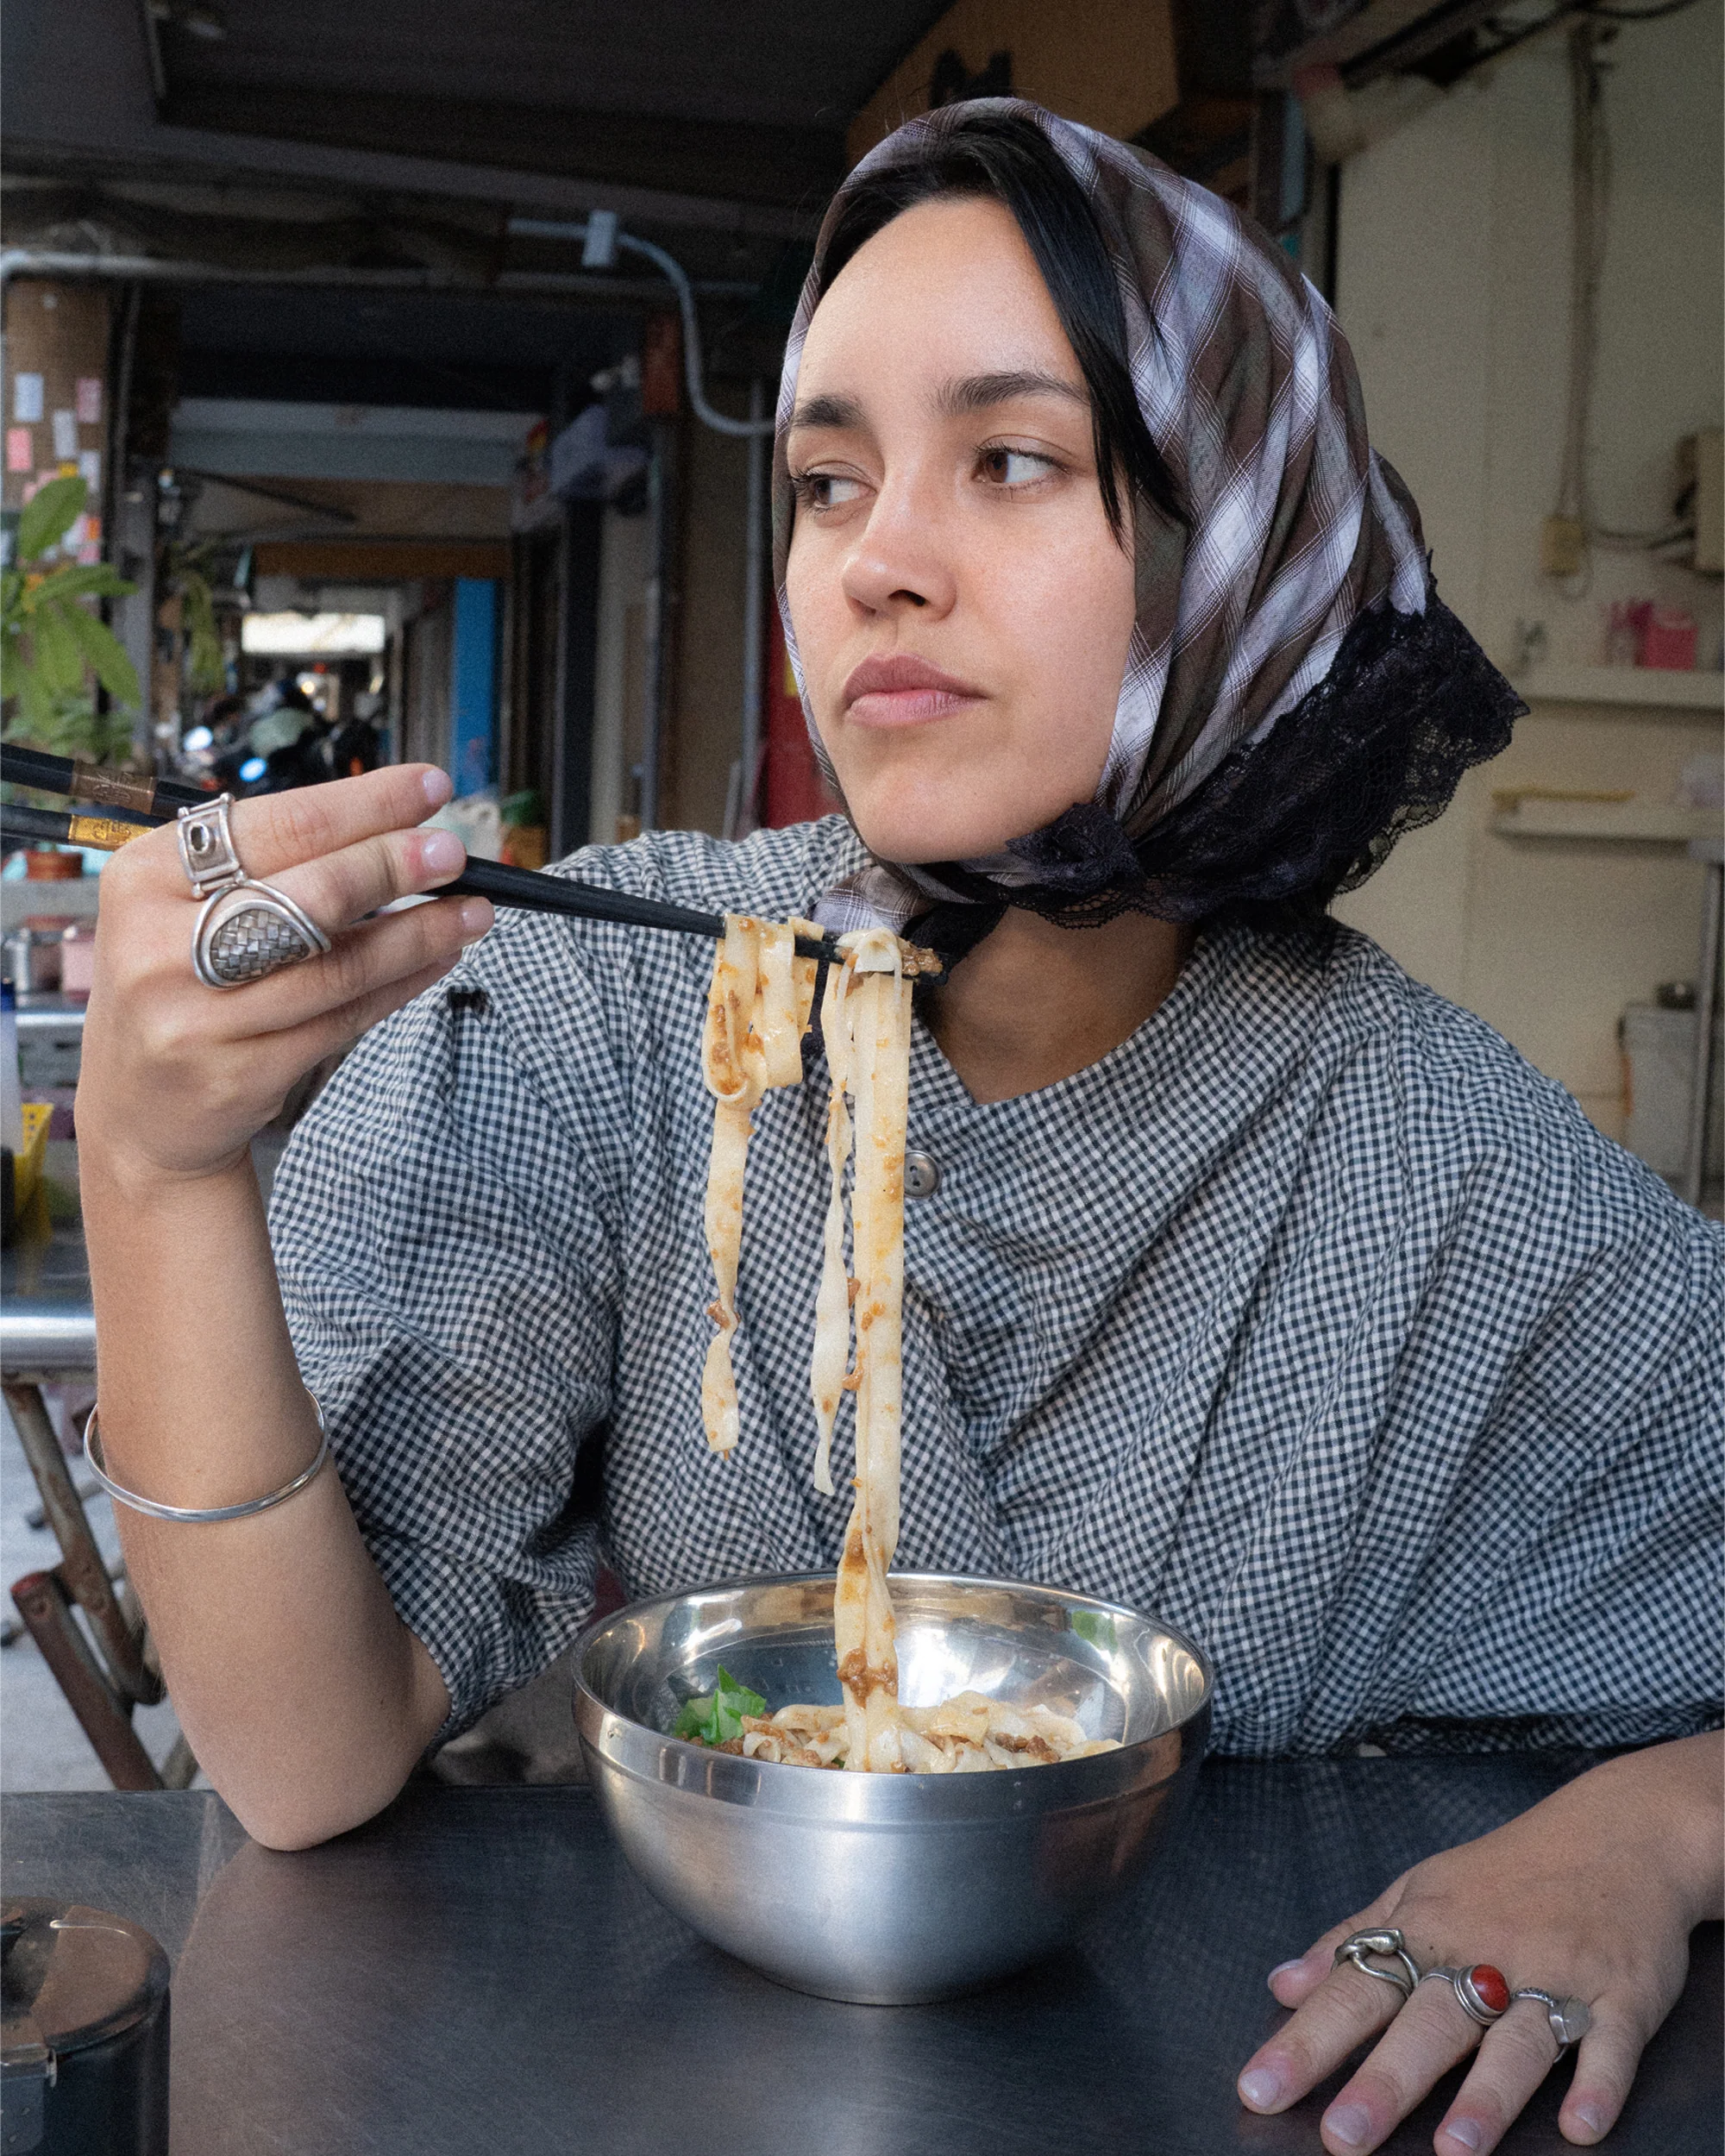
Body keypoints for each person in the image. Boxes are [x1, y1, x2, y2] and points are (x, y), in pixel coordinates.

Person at [74, 103, 1718, 2156]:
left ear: (1245, 554)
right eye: (827, 479)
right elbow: (300, 1759)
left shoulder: (1439, 1162)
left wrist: (1648, 1830)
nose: (876, 560)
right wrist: (156, 1169)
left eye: (1011, 459)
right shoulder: (615, 1005)